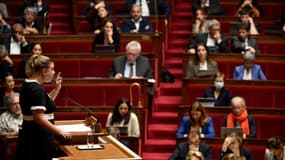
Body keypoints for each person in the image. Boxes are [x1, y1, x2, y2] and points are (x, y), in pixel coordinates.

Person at [15, 54, 72, 160]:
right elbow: (39, 117)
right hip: (37, 139)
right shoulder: (37, 89)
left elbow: (44, 104)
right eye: (52, 69)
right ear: (44, 71)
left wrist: (56, 88)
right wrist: (59, 131)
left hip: (31, 136)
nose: (54, 72)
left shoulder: (30, 84)